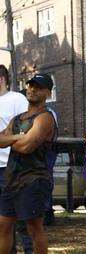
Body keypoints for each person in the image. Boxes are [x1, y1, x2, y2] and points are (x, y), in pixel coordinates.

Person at [0, 73, 57, 254]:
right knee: (3, 226)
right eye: (30, 85)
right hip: (12, 179)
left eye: (38, 87)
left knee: (33, 229)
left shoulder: (45, 118)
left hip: (34, 180)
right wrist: (18, 136)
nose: (32, 89)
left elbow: (26, 147)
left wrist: (10, 139)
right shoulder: (17, 119)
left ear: (48, 93)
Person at [0, 65, 33, 253]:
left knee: (22, 216)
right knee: (3, 220)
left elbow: (28, 126)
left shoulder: (16, 99)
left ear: (1, 79)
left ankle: (30, 250)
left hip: (12, 167)